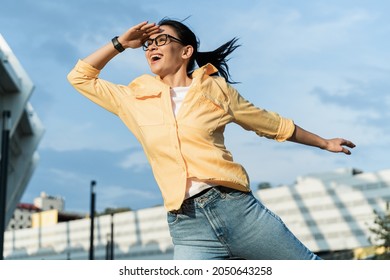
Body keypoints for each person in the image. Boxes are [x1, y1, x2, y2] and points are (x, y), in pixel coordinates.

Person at [67, 18, 355, 260]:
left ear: (186, 51)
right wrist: (120, 43)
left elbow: (271, 124)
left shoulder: (216, 90)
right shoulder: (132, 97)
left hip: (238, 211)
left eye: (161, 40)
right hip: (188, 226)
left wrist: (325, 142)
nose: (151, 46)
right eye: (147, 44)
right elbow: (80, 77)